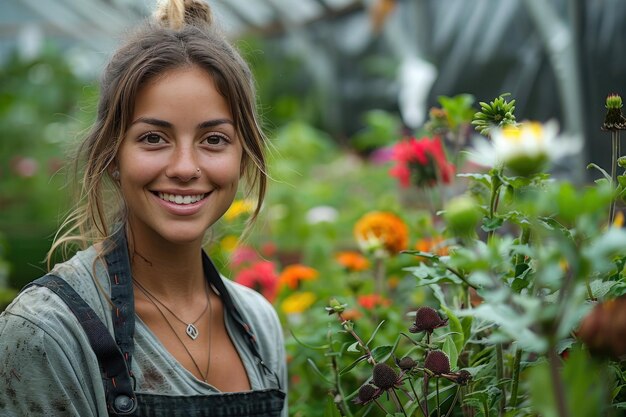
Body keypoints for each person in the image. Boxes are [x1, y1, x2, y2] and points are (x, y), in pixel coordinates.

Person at [0, 0, 287, 415]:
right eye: (154, 138)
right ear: (112, 155)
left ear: (244, 158)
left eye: (214, 140)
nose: (185, 168)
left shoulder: (258, 325)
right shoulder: (49, 331)